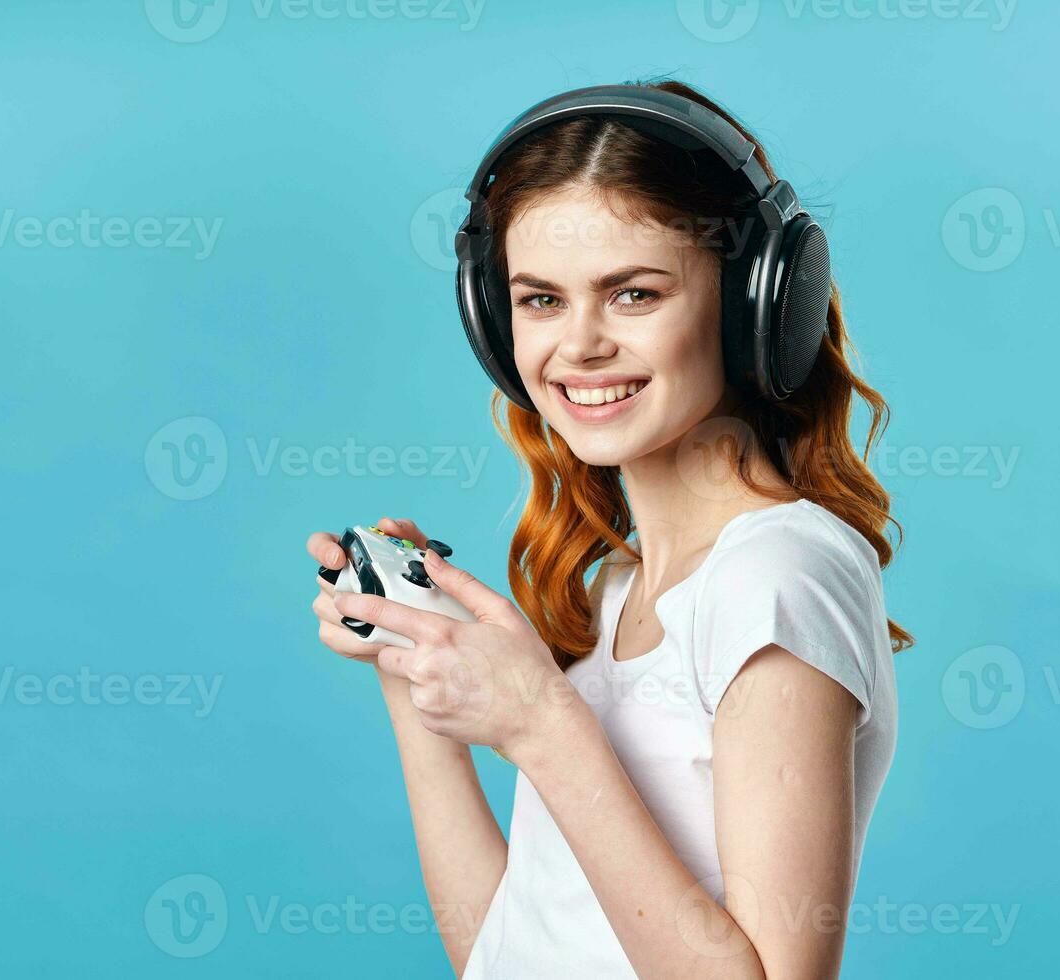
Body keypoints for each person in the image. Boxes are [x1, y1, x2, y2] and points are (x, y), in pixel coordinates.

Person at [307, 79, 911, 979]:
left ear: (753, 307)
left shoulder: (778, 574)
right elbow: (506, 953)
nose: (579, 344)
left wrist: (543, 727)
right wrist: (415, 674)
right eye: (541, 300)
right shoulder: (620, 589)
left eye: (632, 294)